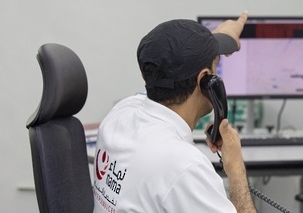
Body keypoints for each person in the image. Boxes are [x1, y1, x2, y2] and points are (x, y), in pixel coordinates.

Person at [93, 12, 258, 212]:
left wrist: (220, 39)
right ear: (206, 81)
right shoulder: (185, 167)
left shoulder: (120, 113)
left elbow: (167, 70)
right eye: (216, 67)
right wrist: (236, 168)